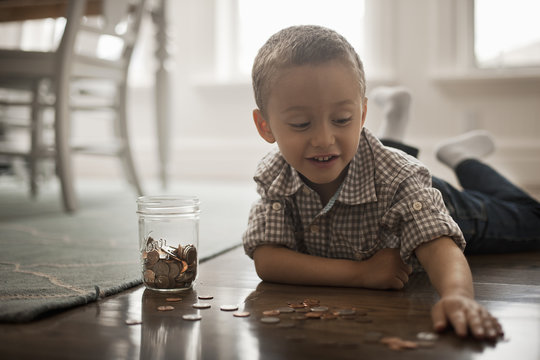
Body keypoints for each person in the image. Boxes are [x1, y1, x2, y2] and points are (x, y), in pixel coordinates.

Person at [242, 25, 518, 341]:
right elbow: (267, 258)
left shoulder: (398, 177)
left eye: (342, 119)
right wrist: (361, 274)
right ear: (265, 126)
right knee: (347, 151)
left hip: (450, 207)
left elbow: (438, 244)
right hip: (370, 168)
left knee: (531, 218)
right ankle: (397, 124)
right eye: (301, 124)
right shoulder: (275, 175)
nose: (323, 138)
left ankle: (462, 159)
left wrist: (457, 296)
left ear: (362, 114)